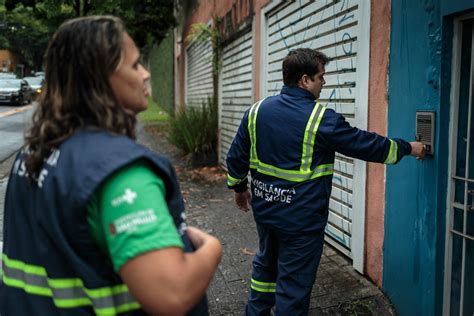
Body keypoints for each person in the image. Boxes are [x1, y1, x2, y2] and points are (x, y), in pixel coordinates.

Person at [0, 16, 222, 316]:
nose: (145, 74)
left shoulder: (30, 156)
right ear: (99, 78)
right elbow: (172, 294)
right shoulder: (120, 170)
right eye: (134, 65)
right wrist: (211, 248)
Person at [226, 48, 426, 316]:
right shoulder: (320, 119)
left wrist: (239, 189)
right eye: (321, 77)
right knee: (293, 287)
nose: (324, 83)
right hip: (302, 222)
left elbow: (236, 156)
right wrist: (407, 148)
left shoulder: (256, 111)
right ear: (305, 79)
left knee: (266, 266)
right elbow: (366, 145)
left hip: (266, 212)